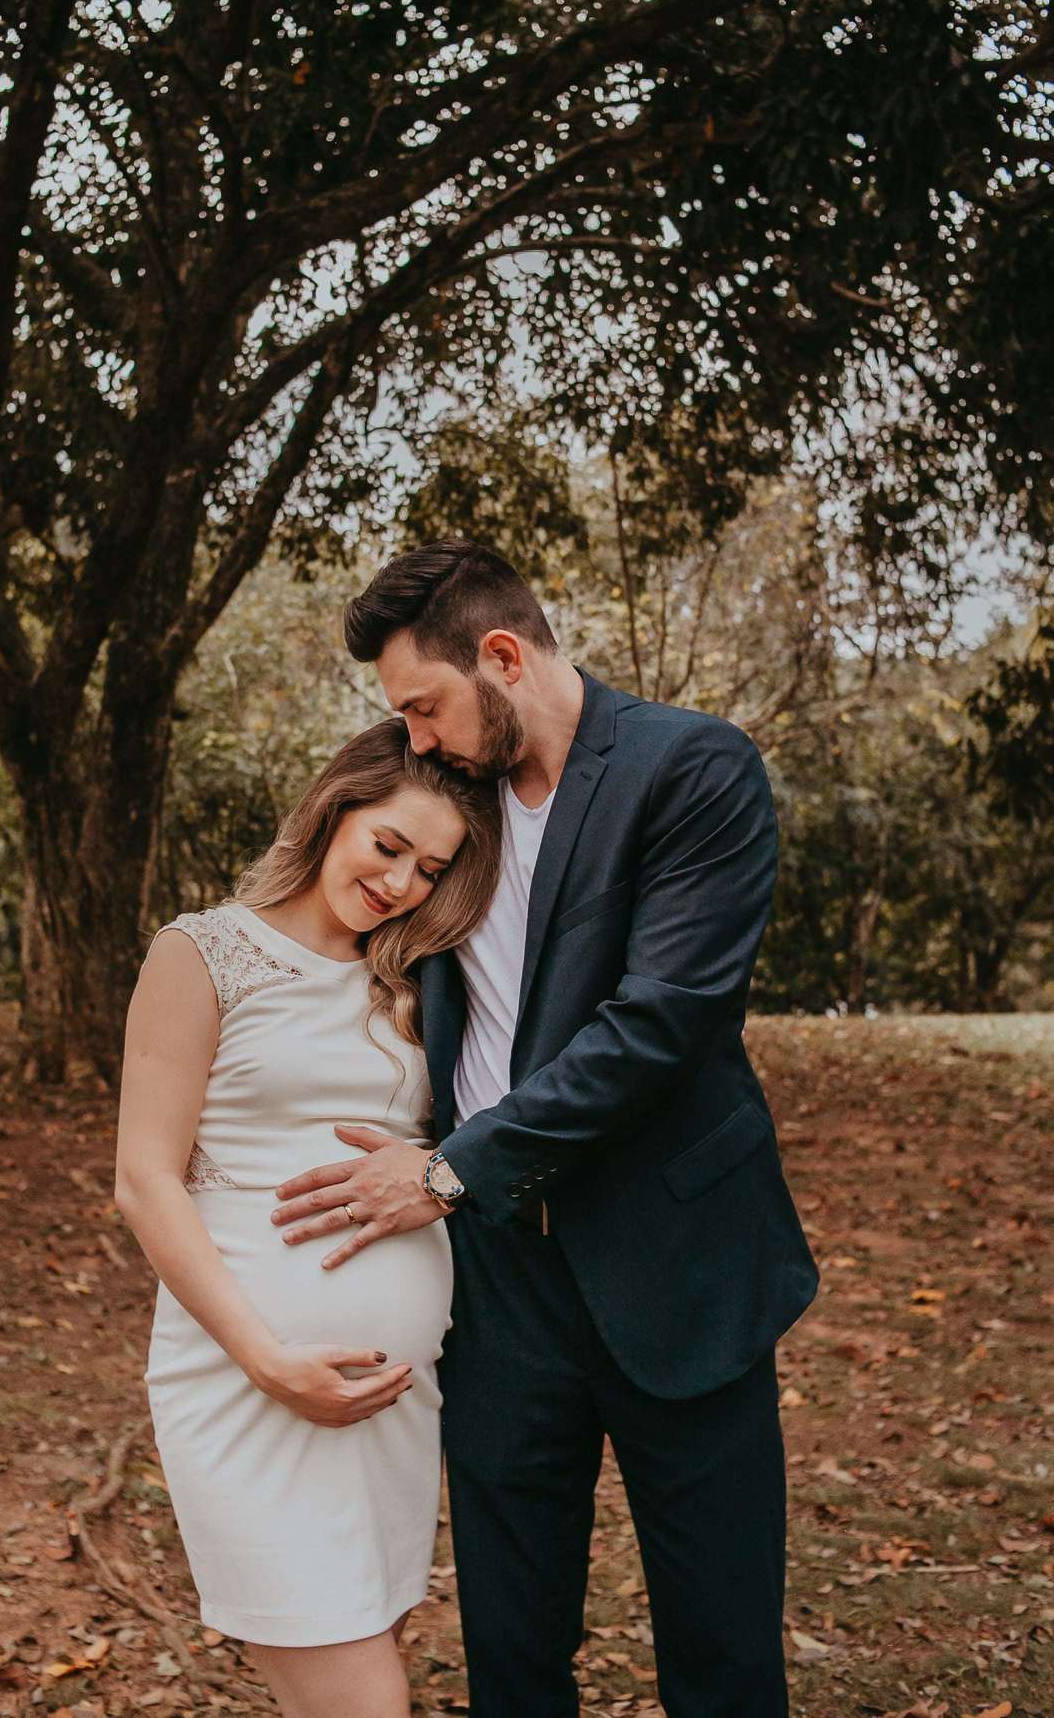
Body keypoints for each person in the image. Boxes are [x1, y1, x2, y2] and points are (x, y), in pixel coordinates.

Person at [271, 540, 820, 1718]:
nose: (415, 737)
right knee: (512, 1652)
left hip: (679, 1261)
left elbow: (659, 1025)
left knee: (722, 1653)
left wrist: (453, 1173)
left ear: (504, 658)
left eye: (424, 704)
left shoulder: (693, 769)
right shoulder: (451, 803)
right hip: (500, 1278)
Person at [114, 718, 501, 1718]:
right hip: (252, 1385)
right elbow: (145, 1181)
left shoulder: (416, 980)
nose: (401, 883)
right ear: (335, 812)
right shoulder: (203, 951)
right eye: (388, 846)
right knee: (361, 1697)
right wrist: (266, 1359)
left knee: (363, 1661)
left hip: (394, 1405)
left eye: (429, 867)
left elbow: (459, 1129)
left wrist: (436, 1164)